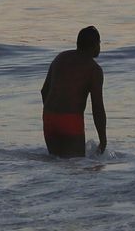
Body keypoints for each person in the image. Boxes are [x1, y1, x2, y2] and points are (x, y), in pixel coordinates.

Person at [41, 26, 108, 157]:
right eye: (99, 43)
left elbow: (44, 91)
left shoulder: (60, 57)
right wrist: (103, 140)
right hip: (70, 120)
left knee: (56, 165)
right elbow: (97, 107)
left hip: (49, 117)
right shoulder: (94, 69)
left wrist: (54, 115)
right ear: (94, 45)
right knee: (76, 170)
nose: (99, 47)